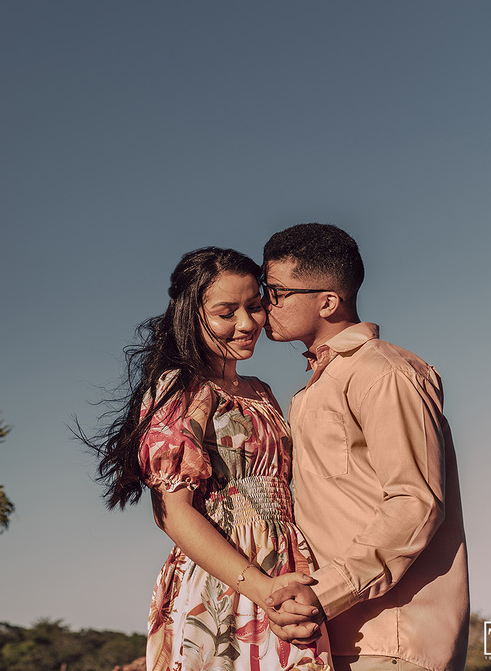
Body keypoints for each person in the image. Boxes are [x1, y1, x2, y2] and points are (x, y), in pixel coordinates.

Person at [92, 247, 331, 671]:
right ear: (191, 315)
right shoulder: (180, 389)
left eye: (255, 307)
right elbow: (172, 513)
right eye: (227, 312)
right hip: (228, 582)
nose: (246, 324)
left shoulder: (262, 392)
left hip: (286, 571)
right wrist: (261, 589)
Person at [260, 224, 469, 671]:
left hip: (392, 640)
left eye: (276, 292)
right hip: (333, 637)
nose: (264, 304)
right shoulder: (313, 390)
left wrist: (325, 592)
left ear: (329, 301)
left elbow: (416, 504)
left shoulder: (384, 373)